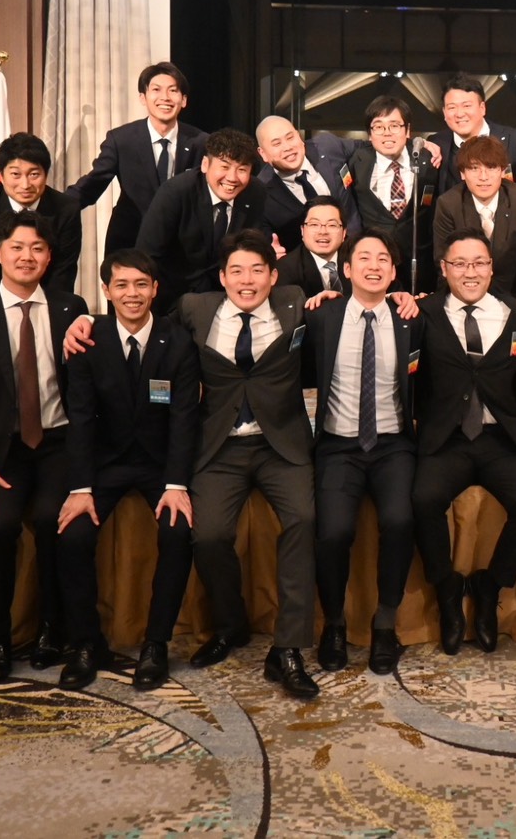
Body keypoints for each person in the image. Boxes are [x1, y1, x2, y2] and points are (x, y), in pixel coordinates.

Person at [0, 210, 89, 682]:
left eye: (38, 249)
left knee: (52, 520)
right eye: (18, 247)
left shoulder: (71, 307)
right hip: (0, 449)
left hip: (57, 442)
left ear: (49, 257)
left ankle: (51, 630)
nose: (27, 257)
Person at [176, 230, 319, 699]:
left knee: (303, 520)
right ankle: (230, 624)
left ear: (273, 276)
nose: (247, 280)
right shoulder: (195, 308)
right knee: (209, 535)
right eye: (236, 271)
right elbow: (144, 325)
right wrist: (85, 322)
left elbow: (340, 308)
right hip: (220, 447)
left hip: (282, 445)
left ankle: (288, 648)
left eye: (257, 270)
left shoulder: (294, 304)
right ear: (222, 277)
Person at [56, 249, 200, 691]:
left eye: (141, 284)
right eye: (121, 285)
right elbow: (80, 417)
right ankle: (86, 643)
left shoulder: (178, 341)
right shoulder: (88, 339)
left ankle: (156, 643)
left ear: (155, 289)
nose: (131, 294)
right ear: (106, 290)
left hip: (159, 465)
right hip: (106, 464)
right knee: (72, 534)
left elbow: (184, 418)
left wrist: (176, 483)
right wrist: (80, 487)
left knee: (178, 531)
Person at [411, 230, 516, 656]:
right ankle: (448, 591)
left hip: (502, 436)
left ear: (491, 268)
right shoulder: (423, 313)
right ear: (444, 269)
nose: (470, 272)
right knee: (423, 500)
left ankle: (490, 587)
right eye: (460, 263)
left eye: (479, 263)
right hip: (447, 438)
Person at [304, 228, 422, 675]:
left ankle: (385, 623)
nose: (374, 266)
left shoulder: (411, 317)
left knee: (400, 520)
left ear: (393, 272)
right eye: (364, 258)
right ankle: (334, 623)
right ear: (347, 269)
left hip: (393, 444)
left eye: (383, 259)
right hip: (338, 445)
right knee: (333, 531)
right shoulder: (322, 317)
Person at [66, 62, 208, 255]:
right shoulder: (121, 139)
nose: (165, 97)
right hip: (130, 241)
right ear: (143, 97)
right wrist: (52, 207)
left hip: (181, 247)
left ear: (183, 100)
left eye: (173, 90)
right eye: (156, 90)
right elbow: (92, 184)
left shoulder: (201, 142)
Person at [136, 127, 270, 312]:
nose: (232, 178)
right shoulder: (176, 192)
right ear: (205, 164)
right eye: (224, 167)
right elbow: (147, 255)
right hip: (173, 298)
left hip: (228, 299)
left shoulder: (256, 192)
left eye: (242, 169)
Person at [0, 132, 83, 301]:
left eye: (34, 174)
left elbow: (63, 272)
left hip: (44, 301)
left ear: (46, 174)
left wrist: (43, 309)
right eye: (15, 174)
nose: (25, 185)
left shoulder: (66, 208)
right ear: (2, 176)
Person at [432, 136, 516, 300]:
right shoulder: (448, 204)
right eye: (474, 168)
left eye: (491, 167)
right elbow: (445, 263)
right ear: (462, 173)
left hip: (514, 298)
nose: (483, 177)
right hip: (463, 296)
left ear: (503, 171)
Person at [345, 95, 441, 293]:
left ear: (407, 130)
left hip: (421, 266)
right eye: (379, 127)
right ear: (370, 134)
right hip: (376, 268)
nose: (387, 133)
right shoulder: (357, 162)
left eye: (395, 126)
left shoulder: (428, 161)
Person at [429, 72, 516, 192]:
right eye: (452, 107)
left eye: (466, 106)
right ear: (444, 112)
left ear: (482, 108)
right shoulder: (436, 143)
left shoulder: (515, 140)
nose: (459, 114)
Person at [254, 115, 359, 254]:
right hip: (308, 265)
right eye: (277, 144)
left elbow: (367, 150)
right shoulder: (260, 193)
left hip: (358, 252)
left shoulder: (327, 147)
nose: (287, 147)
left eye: (290, 137)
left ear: (299, 137)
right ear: (263, 153)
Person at [275, 196, 350, 295]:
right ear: (302, 231)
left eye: (332, 225)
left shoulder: (356, 257)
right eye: (314, 224)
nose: (323, 232)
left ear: (344, 233)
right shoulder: (285, 270)